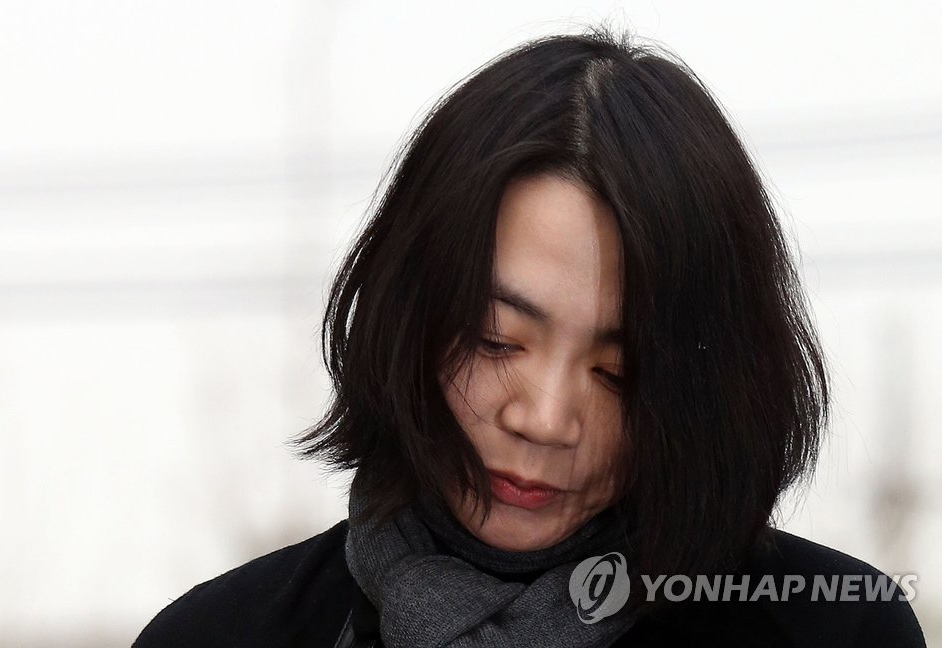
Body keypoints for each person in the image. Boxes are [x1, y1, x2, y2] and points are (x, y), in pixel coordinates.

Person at [133, 28, 926, 647]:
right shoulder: (224, 636)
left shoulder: (832, 631)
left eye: (619, 373)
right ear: (409, 316)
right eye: (496, 340)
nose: (545, 419)